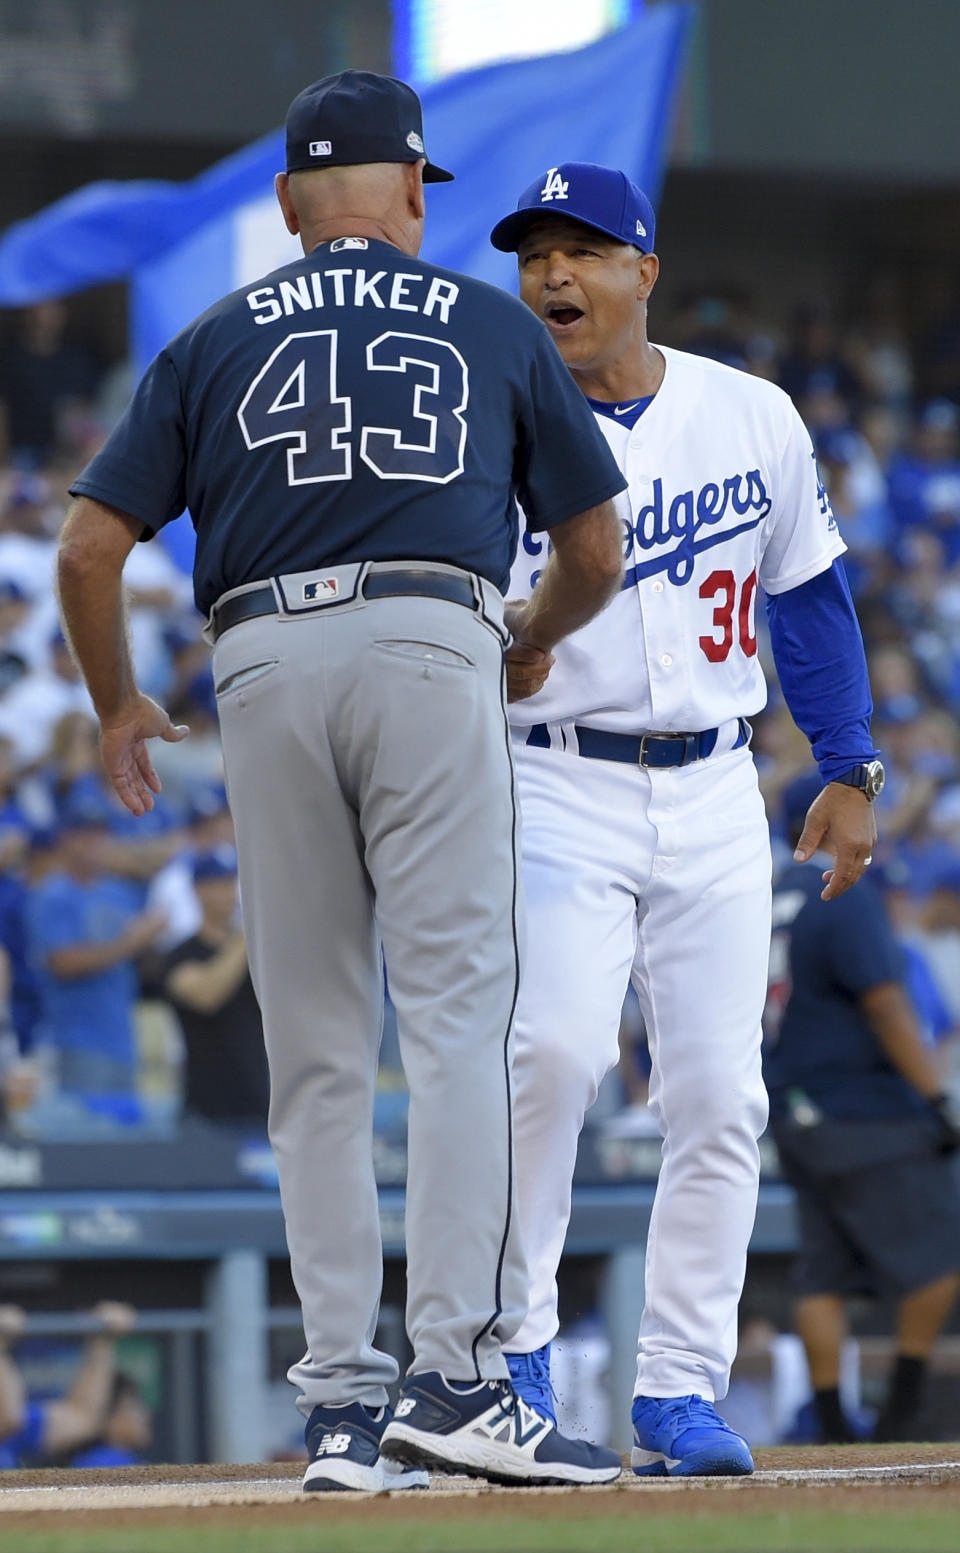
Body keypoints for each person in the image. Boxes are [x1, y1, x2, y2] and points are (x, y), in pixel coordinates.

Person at [55, 73, 627, 1493]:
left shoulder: (208, 336)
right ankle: (460, 1379)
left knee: (312, 1053)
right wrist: (528, 642)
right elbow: (597, 546)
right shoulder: (492, 320)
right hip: (433, 637)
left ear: (286, 206)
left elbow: (83, 549)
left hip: (258, 662)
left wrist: (122, 704)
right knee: (451, 1027)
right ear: (417, 191)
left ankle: (340, 1413)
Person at [488, 162, 883, 1475]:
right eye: (535, 252)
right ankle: (517, 1350)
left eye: (583, 250)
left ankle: (678, 1388)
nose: (554, 274)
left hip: (716, 783)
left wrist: (850, 764)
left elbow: (813, 599)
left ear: (643, 271)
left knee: (720, 1096)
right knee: (549, 1056)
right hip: (553, 774)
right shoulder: (492, 419)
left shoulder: (749, 412)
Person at [765, 770, 960, 1445]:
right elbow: (884, 1001)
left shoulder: (765, 891)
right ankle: (902, 1408)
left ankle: (830, 1424)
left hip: (790, 1104)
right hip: (861, 1105)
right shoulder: (840, 889)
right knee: (943, 1251)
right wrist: (936, 1097)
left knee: (822, 1267)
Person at [25, 786, 167, 1104]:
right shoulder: (53, 894)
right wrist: (132, 941)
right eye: (83, 834)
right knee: (86, 1140)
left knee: (123, 1142)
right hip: (77, 1039)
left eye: (101, 833)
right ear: (66, 840)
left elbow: (141, 961)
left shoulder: (119, 892)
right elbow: (63, 963)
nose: (94, 843)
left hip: (124, 1037)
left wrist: (155, 942)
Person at [160, 846, 269, 1126]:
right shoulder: (181, 954)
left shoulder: (257, 951)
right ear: (198, 889)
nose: (226, 893)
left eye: (230, 883)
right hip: (204, 1109)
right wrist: (248, 933)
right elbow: (208, 995)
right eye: (217, 884)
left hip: (259, 1101)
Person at [0, 1301, 136, 1468]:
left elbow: (81, 1418)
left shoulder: (9, 1432)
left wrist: (101, 1342)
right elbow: (8, 1418)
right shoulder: (9, 1419)